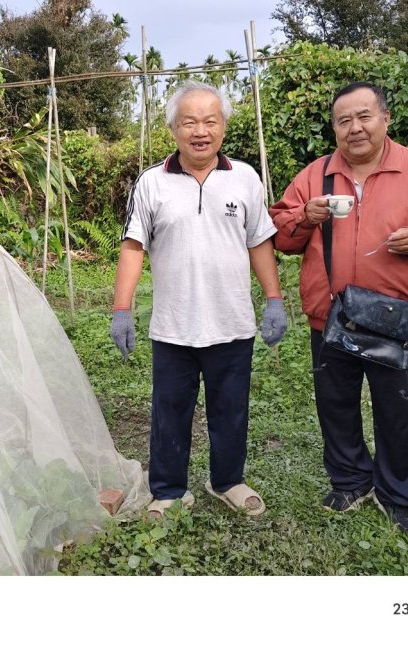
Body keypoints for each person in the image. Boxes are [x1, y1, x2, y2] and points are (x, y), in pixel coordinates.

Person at [270, 82, 408, 539]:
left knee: (399, 411)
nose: (354, 128)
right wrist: (305, 217)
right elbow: (281, 235)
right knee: (336, 405)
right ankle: (350, 481)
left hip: (395, 319)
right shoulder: (315, 176)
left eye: (364, 116)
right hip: (331, 316)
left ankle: (397, 495)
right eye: (343, 120)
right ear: (335, 128)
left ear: (385, 118)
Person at [109, 81, 286, 519]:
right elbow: (133, 246)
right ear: (174, 129)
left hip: (232, 322)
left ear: (223, 127)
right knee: (170, 411)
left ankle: (227, 480)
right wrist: (121, 308)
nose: (200, 130)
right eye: (189, 121)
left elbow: (259, 241)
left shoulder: (244, 178)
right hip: (173, 326)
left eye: (210, 120)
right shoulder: (152, 183)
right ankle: (169, 489)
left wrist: (275, 299)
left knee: (231, 409)